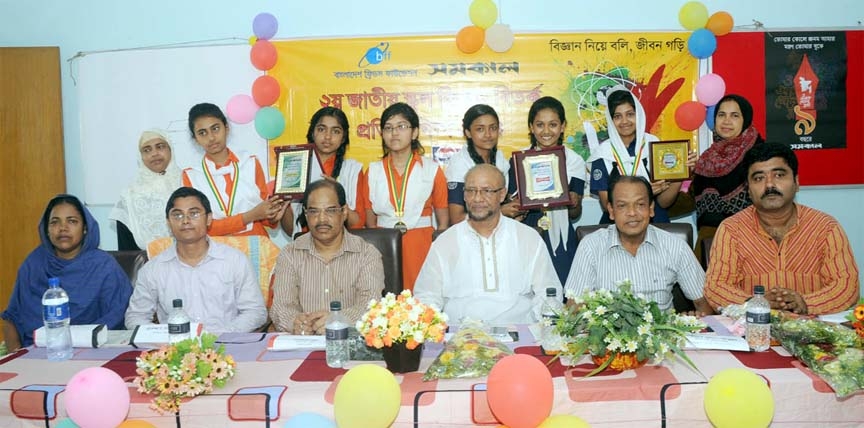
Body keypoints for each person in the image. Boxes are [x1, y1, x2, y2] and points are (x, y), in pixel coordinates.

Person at [704, 142, 860, 315]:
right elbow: (715, 287)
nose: (769, 185)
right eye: (758, 178)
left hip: (813, 333)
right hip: (752, 331)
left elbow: (847, 286)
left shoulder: (825, 228)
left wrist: (805, 303)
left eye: (779, 175)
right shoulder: (731, 230)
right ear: (748, 190)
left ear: (797, 182)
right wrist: (757, 303)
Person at [415, 164, 562, 325]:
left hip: (519, 334)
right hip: (461, 337)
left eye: (486, 191)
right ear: (464, 195)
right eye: (471, 190)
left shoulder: (528, 237)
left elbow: (548, 292)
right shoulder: (445, 242)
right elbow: (426, 295)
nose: (477, 198)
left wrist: (539, 330)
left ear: (502, 194)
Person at [565, 173, 713, 315]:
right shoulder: (590, 247)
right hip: (610, 338)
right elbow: (573, 309)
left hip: (663, 335)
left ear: (651, 209)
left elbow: (703, 304)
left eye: (640, 204)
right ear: (611, 211)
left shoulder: (675, 246)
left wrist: (699, 320)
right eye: (622, 206)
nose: (632, 213)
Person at [124, 187, 268, 332]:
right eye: (178, 215)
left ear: (209, 219)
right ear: (168, 222)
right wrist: (164, 337)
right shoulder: (153, 269)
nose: (186, 221)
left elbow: (255, 312)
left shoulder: (235, 261)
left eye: (194, 214)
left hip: (227, 346)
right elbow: (135, 317)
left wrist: (220, 335)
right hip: (175, 349)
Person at [2, 195, 132, 350]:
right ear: (47, 229)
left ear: (85, 228)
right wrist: (18, 357)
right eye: (55, 222)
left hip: (93, 352)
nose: (63, 228)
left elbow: (117, 317)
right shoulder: (34, 263)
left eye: (72, 221)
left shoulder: (104, 266)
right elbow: (12, 318)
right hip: (35, 353)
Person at [270, 180, 385, 334]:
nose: (322, 219)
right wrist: (294, 322)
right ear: (306, 214)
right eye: (314, 211)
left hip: (349, 344)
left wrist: (338, 320)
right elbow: (281, 306)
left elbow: (371, 305)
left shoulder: (366, 254)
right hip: (303, 343)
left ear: (344, 212)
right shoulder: (290, 254)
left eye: (330, 210)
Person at [361, 102, 449, 291]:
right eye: (388, 128)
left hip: (422, 248)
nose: (394, 133)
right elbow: (370, 223)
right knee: (388, 303)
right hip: (384, 248)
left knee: (422, 303)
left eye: (401, 126)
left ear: (415, 132)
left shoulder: (432, 170)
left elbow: (443, 223)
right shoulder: (373, 172)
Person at [506, 96, 585, 286]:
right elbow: (513, 203)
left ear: (563, 126)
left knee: (564, 287)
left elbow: (575, 214)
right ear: (531, 128)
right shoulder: (519, 161)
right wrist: (516, 206)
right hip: (529, 229)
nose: (547, 131)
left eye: (553, 124)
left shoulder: (574, 162)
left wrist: (574, 201)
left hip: (562, 233)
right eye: (540, 125)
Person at [590, 86, 696, 223]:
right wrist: (645, 192)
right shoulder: (602, 154)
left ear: (638, 114)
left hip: (655, 220)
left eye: (630, 114)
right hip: (616, 225)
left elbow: (664, 203)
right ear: (610, 120)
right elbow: (606, 206)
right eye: (617, 116)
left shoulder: (655, 145)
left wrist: (681, 172)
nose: (625, 121)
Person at [181, 102, 287, 237]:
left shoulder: (250, 163)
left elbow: (263, 217)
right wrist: (250, 216)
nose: (211, 137)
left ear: (226, 128)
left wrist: (272, 217)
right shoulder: (192, 176)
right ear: (195, 139)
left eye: (215, 128)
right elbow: (202, 227)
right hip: (215, 251)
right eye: (202, 133)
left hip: (256, 245)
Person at [689, 94, 765, 263]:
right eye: (721, 115)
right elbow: (691, 202)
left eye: (735, 115)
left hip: (750, 243)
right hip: (709, 242)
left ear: (746, 119)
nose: (726, 121)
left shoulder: (761, 154)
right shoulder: (707, 158)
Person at [282, 107, 367, 236]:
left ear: (343, 138)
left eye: (336, 131)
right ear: (312, 133)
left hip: (343, 246)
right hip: (304, 246)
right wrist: (284, 203)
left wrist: (337, 193)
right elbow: (292, 231)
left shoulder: (352, 170)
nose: (327, 136)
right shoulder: (295, 167)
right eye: (321, 129)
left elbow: (357, 224)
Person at [109, 129, 182, 250]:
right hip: (146, 263)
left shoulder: (188, 182)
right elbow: (126, 252)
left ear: (170, 150)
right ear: (141, 157)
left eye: (160, 147)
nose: (154, 153)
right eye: (147, 150)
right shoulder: (129, 195)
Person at [446, 104, 510, 224]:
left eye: (493, 128)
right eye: (480, 129)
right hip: (468, 235)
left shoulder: (501, 160)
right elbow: (456, 218)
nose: (488, 134)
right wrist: (502, 212)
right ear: (468, 133)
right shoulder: (459, 164)